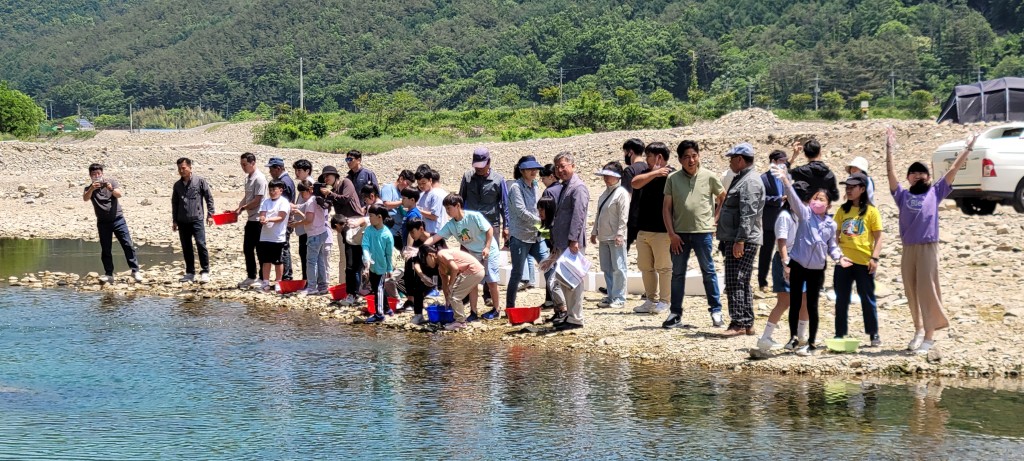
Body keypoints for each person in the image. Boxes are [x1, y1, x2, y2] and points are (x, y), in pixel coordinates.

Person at [886, 127, 976, 355]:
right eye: (913, 172)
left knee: (927, 289)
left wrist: (968, 148)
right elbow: (890, 174)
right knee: (911, 290)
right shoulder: (902, 195)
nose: (918, 175)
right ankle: (918, 330)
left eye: (922, 172)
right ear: (908, 178)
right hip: (908, 249)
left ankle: (929, 335)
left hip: (927, 248)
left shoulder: (935, 192)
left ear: (928, 177)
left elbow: (953, 169)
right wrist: (889, 149)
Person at [772, 167, 845, 356]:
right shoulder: (805, 215)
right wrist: (786, 181)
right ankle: (793, 338)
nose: (817, 201)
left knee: (812, 305)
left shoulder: (831, 224)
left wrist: (839, 258)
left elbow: (832, 246)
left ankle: (811, 343)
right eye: (815, 198)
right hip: (797, 264)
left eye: (822, 199)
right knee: (795, 302)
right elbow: (794, 200)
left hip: (817, 269)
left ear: (828, 205)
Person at [661, 140, 726, 329]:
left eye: (694, 155)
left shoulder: (710, 176)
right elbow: (666, 209)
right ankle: (675, 314)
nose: (691, 160)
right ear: (680, 159)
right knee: (677, 274)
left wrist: (715, 220)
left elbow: (723, 198)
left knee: (709, 271)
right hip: (679, 235)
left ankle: (716, 311)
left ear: (699, 156)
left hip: (703, 233)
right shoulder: (672, 178)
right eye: (687, 157)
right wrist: (671, 234)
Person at [425, 193, 502, 320]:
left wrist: (487, 247)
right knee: (472, 283)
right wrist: (421, 248)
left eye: (449, 208)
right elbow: (435, 237)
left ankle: (496, 309)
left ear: (458, 206)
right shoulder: (451, 225)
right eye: (446, 209)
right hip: (473, 254)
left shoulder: (474, 216)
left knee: (491, 281)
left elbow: (489, 230)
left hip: (489, 251)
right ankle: (473, 312)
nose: (447, 212)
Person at [718, 143, 765, 337]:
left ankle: (738, 323)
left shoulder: (750, 182)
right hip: (738, 237)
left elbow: (748, 214)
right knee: (742, 280)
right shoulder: (744, 179)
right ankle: (747, 322)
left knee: (735, 280)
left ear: (740, 159)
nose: (729, 161)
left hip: (741, 239)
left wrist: (740, 240)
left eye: (732, 158)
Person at [833, 172, 884, 346]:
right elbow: (835, 234)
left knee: (867, 298)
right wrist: (838, 255)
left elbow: (879, 238)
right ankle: (839, 334)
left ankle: (873, 334)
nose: (848, 190)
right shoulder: (842, 210)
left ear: (862, 189)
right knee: (841, 299)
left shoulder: (871, 211)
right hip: (844, 262)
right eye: (846, 187)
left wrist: (874, 258)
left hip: (864, 262)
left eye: (852, 187)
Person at [541, 151, 590, 331]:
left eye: (563, 166)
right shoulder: (565, 186)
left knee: (573, 282)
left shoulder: (578, 187)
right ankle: (570, 315)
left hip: (572, 243)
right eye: (557, 167)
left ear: (573, 166)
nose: (560, 170)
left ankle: (576, 319)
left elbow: (579, 216)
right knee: (564, 281)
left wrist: (573, 240)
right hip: (563, 243)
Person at [755, 192, 810, 352]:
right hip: (786, 262)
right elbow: (781, 242)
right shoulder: (785, 216)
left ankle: (800, 338)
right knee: (785, 301)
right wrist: (786, 264)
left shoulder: (802, 215)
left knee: (805, 299)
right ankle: (765, 338)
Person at [459, 148, 510, 307]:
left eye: (482, 165)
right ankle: (466, 293)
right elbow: (460, 200)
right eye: (476, 166)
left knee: (489, 260)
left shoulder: (498, 180)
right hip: (469, 226)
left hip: (490, 225)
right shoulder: (467, 177)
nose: (479, 169)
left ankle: (488, 294)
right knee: (466, 259)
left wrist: (506, 226)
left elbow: (505, 205)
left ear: (489, 162)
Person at [630, 142, 675, 314]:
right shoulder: (646, 173)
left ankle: (665, 301)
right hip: (644, 229)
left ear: (659, 157)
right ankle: (650, 299)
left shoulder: (673, 175)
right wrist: (655, 173)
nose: (646, 160)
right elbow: (635, 183)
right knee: (645, 266)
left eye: (648, 156)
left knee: (664, 267)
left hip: (663, 230)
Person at [83, 163, 142, 283]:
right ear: (90, 176)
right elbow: (85, 198)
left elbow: (119, 194)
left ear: (102, 173)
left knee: (127, 244)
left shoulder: (111, 182)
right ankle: (109, 274)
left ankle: (135, 270)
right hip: (103, 223)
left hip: (118, 219)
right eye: (94, 174)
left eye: (98, 173)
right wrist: (92, 188)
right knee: (106, 249)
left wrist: (110, 188)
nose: (97, 176)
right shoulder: (89, 188)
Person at [506, 155, 551, 309]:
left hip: (536, 235)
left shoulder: (536, 185)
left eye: (535, 169)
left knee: (549, 266)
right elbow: (520, 211)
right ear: (522, 170)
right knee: (517, 273)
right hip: (520, 236)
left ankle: (555, 303)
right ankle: (510, 307)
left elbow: (538, 208)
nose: (534, 171)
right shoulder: (516, 187)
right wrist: (540, 222)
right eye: (530, 169)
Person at [319, 165, 364, 304]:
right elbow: (330, 206)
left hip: (355, 222)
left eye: (328, 176)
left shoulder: (346, 182)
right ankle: (346, 289)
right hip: (342, 226)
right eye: (325, 177)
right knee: (345, 259)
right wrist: (322, 200)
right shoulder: (332, 191)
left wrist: (329, 194)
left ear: (335, 176)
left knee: (355, 260)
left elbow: (345, 198)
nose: (326, 178)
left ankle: (356, 291)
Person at [419, 244, 485, 331]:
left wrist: (451, 285)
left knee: (455, 297)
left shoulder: (441, 254)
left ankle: (460, 322)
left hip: (474, 270)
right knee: (452, 296)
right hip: (474, 271)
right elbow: (444, 284)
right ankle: (460, 319)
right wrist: (447, 300)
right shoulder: (441, 268)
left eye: (424, 260)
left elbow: (454, 268)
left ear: (431, 255)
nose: (425, 264)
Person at [591, 161, 629, 309]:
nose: (606, 178)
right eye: (605, 175)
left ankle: (619, 297)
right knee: (607, 268)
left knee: (619, 268)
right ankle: (612, 295)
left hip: (615, 237)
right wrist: (594, 231)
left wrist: (620, 234)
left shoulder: (621, 193)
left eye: (610, 175)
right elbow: (599, 214)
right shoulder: (603, 194)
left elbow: (623, 216)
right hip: (604, 236)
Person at [171, 157, 215, 283]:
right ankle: (190, 272)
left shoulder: (200, 181)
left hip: (197, 219)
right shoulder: (177, 185)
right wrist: (174, 220)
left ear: (190, 167)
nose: (181, 170)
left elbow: (209, 198)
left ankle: (205, 271)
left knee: (201, 244)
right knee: (186, 247)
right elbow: (175, 203)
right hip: (182, 221)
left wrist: (210, 214)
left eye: (183, 168)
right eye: (179, 168)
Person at [291, 180, 331, 296]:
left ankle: (312, 287)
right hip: (322, 232)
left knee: (311, 262)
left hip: (314, 235)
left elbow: (309, 220)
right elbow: (303, 208)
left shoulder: (310, 203)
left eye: (302, 193)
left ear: (309, 190)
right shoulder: (316, 199)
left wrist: (296, 224)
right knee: (320, 260)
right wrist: (296, 207)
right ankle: (323, 286)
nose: (301, 195)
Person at [402, 218, 446, 324]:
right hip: (425, 271)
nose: (412, 236)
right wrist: (422, 276)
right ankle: (418, 314)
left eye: (413, 232)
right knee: (417, 285)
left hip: (440, 270)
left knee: (447, 288)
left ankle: (450, 310)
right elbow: (416, 262)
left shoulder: (436, 238)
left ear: (421, 229)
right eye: (410, 233)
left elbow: (443, 254)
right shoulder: (416, 242)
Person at [234, 152, 268, 289]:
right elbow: (247, 197)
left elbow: (257, 200)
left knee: (260, 249)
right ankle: (251, 275)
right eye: (241, 165)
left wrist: (242, 208)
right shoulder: (248, 178)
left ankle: (261, 277)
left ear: (253, 163)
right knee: (247, 248)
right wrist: (238, 208)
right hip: (250, 218)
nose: (243, 167)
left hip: (258, 218)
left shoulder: (260, 179)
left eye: (245, 164)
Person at [758, 150, 788, 291]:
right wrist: (778, 199)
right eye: (782, 161)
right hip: (769, 222)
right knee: (766, 252)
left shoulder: (784, 177)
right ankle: (762, 281)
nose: (784, 164)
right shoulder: (763, 178)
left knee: (785, 250)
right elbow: (760, 199)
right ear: (774, 161)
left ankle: (785, 279)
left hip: (784, 221)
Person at [363, 204, 396, 324]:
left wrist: (389, 268)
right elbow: (365, 245)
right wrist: (366, 259)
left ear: (379, 217)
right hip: (372, 265)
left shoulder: (387, 235)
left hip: (382, 267)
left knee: (379, 289)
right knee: (377, 287)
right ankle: (387, 309)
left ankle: (379, 314)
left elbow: (389, 254)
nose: (369, 218)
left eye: (371, 216)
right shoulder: (368, 230)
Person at [256, 180, 291, 291]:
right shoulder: (266, 201)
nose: (272, 192)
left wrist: (268, 219)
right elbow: (262, 214)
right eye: (270, 190)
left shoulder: (284, 202)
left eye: (274, 190)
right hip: (265, 236)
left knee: (278, 261)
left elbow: (281, 217)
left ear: (280, 190)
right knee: (266, 260)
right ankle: (265, 281)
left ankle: (278, 282)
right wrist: (262, 219)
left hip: (278, 236)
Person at [266, 157, 296, 281]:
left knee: (283, 249)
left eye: (271, 169)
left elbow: (281, 205)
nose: (270, 172)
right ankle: (285, 276)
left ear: (278, 168)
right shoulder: (286, 180)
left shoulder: (284, 182)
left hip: (284, 222)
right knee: (284, 248)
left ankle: (286, 277)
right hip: (285, 221)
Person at [620, 138, 647, 251]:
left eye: (625, 153)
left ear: (630, 152)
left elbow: (626, 197)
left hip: (632, 218)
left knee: (622, 251)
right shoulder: (649, 169)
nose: (625, 155)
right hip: (647, 218)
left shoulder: (629, 171)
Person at [292, 159, 314, 281]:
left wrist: (296, 210)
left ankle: (308, 281)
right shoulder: (304, 184)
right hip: (303, 227)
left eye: (299, 170)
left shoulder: (309, 185)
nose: (296, 172)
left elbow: (311, 209)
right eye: (296, 170)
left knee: (307, 255)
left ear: (307, 171)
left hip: (307, 227)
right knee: (304, 254)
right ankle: (306, 280)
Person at [382, 170, 414, 245]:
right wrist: (403, 202)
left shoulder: (403, 193)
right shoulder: (388, 188)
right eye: (407, 183)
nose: (408, 187)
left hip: (399, 230)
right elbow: (387, 205)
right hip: (388, 228)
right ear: (401, 179)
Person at [415, 167, 448, 233]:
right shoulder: (421, 195)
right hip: (425, 232)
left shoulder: (435, 195)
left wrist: (417, 210)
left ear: (430, 180)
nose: (421, 186)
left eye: (423, 183)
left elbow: (434, 216)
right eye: (419, 184)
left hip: (436, 232)